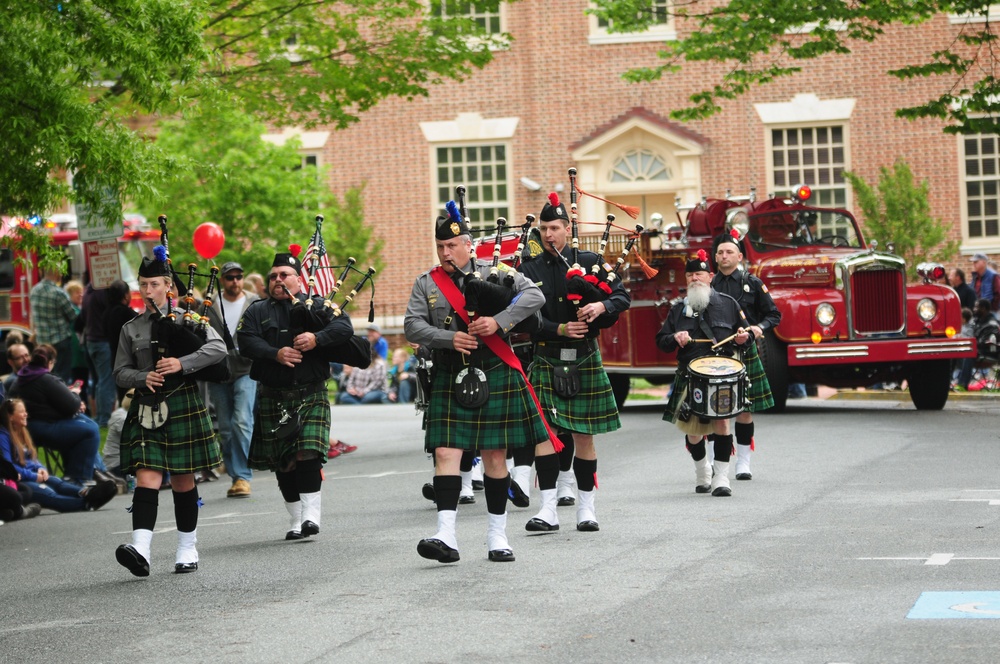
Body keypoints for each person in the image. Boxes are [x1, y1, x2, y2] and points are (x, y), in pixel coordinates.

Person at [403, 209, 551, 563]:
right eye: (440, 246)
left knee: (495, 456)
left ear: (469, 245)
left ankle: (497, 536)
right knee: (445, 452)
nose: (445, 253)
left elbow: (535, 297)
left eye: (452, 245)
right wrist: (448, 338)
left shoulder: (495, 272)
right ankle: (446, 534)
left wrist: (498, 322)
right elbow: (411, 326)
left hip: (494, 366)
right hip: (451, 372)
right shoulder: (427, 283)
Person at [517, 192, 630, 533]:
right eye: (543, 229)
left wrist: (601, 307)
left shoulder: (591, 261)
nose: (548, 234)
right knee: (546, 437)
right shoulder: (528, 269)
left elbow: (622, 296)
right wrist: (559, 327)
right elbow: (521, 318)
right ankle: (548, 509)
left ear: (567, 228)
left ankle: (586, 508)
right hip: (547, 353)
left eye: (554, 227)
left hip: (583, 357)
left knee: (584, 437)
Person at [112, 252, 227, 577]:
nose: (148, 290)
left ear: (168, 287)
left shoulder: (188, 320)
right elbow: (119, 371)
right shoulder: (130, 328)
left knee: (182, 479)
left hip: (181, 402)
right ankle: (141, 549)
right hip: (147, 406)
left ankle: (187, 547)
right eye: (144, 284)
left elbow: (218, 349)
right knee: (147, 476)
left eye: (155, 284)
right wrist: (140, 377)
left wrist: (182, 363)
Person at [237, 249, 354, 541]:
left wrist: (317, 338)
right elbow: (245, 342)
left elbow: (344, 326)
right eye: (274, 276)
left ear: (298, 280)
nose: (278, 280)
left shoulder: (317, 305)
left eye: (285, 275)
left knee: (308, 452)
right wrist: (274, 353)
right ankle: (296, 517)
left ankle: (311, 516)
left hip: (310, 393)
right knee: (284, 462)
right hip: (273, 395)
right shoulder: (256, 310)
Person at [655, 250, 752, 497]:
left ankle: (721, 477)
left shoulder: (729, 304)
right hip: (690, 375)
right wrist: (675, 337)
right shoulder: (678, 310)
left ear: (710, 276)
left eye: (699, 273)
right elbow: (662, 341)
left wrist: (742, 338)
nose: (694, 279)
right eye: (690, 275)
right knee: (693, 432)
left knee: (722, 422)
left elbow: (747, 337)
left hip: (722, 375)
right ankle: (702, 470)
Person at [711, 233, 779, 480]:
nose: (724, 256)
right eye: (720, 252)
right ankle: (715, 461)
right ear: (715, 257)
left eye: (729, 252)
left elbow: (773, 314)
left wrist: (760, 327)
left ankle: (743, 462)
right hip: (717, 353)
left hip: (745, 350)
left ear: (739, 256)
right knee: (713, 409)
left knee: (745, 409)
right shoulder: (709, 286)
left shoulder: (753, 283)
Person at [9, 345, 105, 486]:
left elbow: (45, 406)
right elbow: (71, 406)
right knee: (90, 430)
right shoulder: (46, 379)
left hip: (29, 427)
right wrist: (75, 394)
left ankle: (97, 471)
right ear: (50, 362)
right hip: (41, 428)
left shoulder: (20, 379)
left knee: (83, 422)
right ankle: (80, 478)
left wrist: (73, 402)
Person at [0, 398, 117, 512]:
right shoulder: (3, 436)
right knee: (50, 494)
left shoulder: (22, 433)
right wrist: (33, 476)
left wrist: (40, 468)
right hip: (20, 481)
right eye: (21, 412)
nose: (26, 414)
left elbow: (32, 458)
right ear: (10, 417)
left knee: (58, 483)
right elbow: (8, 467)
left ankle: (87, 492)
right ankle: (87, 503)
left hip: (33, 474)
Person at [205, 261, 259, 499]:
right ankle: (236, 475)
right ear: (222, 281)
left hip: (246, 369)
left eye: (239, 277)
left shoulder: (254, 302)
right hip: (218, 372)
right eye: (230, 277)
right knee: (225, 428)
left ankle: (243, 476)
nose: (235, 281)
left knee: (242, 421)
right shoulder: (209, 306)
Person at [29, 267, 78, 382]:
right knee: (62, 377)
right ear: (57, 274)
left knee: (46, 376)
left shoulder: (34, 291)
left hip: (43, 343)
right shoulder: (59, 292)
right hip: (60, 341)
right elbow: (73, 316)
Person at [80, 281, 117, 427]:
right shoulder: (101, 293)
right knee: (105, 380)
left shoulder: (87, 293)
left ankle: (99, 416)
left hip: (91, 340)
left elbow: (82, 317)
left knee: (99, 380)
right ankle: (104, 419)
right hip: (102, 340)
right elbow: (110, 313)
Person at [104, 279, 137, 401]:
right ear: (125, 295)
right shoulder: (126, 313)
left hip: (115, 359)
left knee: (121, 394)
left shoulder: (106, 313)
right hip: (129, 360)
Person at [955, 298, 1000, 390]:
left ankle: (962, 384)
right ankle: (950, 381)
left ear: (983, 309)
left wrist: (969, 343)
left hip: (987, 353)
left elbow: (985, 343)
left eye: (976, 307)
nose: (974, 309)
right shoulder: (976, 321)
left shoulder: (992, 324)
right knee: (952, 352)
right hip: (975, 350)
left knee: (969, 353)